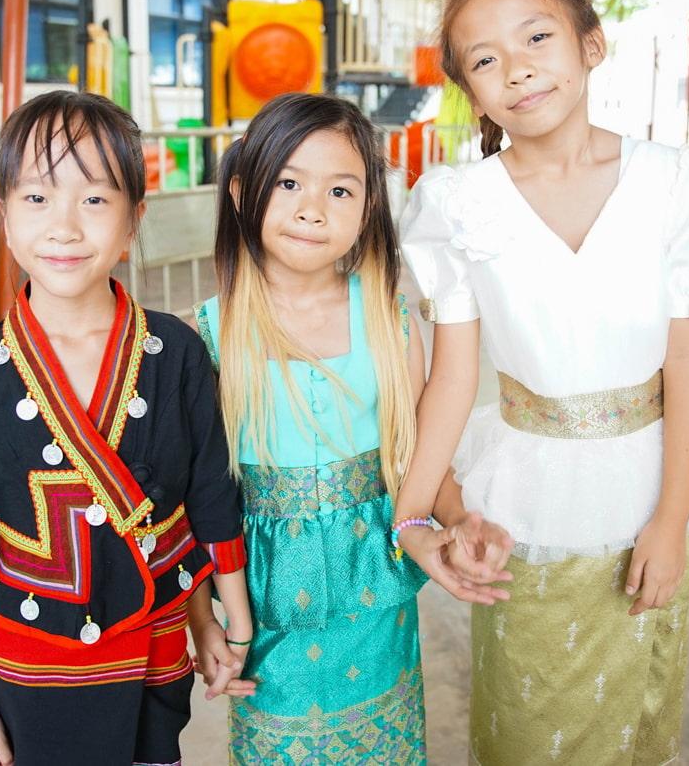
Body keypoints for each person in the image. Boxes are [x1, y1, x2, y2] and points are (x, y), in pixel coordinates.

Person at [396, 0, 689, 764]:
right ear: (470, 88)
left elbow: (687, 363)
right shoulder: (458, 204)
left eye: (537, 37)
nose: (517, 67)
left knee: (635, 708)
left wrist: (669, 524)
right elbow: (453, 378)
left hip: (646, 489)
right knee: (531, 716)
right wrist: (413, 513)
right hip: (527, 497)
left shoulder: (675, 183)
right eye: (485, 60)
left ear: (591, 45)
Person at [188, 92, 511, 764]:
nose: (312, 207)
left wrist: (458, 522)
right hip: (263, 605)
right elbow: (195, 505)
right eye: (288, 183)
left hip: (376, 599)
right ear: (245, 192)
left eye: (340, 189)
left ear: (369, 209)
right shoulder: (210, 335)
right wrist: (199, 618)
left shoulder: (391, 324)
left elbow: (418, 458)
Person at [0, 90, 251, 766]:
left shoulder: (176, 352)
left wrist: (217, 623)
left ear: (135, 220)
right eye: (37, 199)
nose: (65, 227)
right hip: (30, 660)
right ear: (7, 220)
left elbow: (197, 507)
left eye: (95, 200)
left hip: (153, 648)